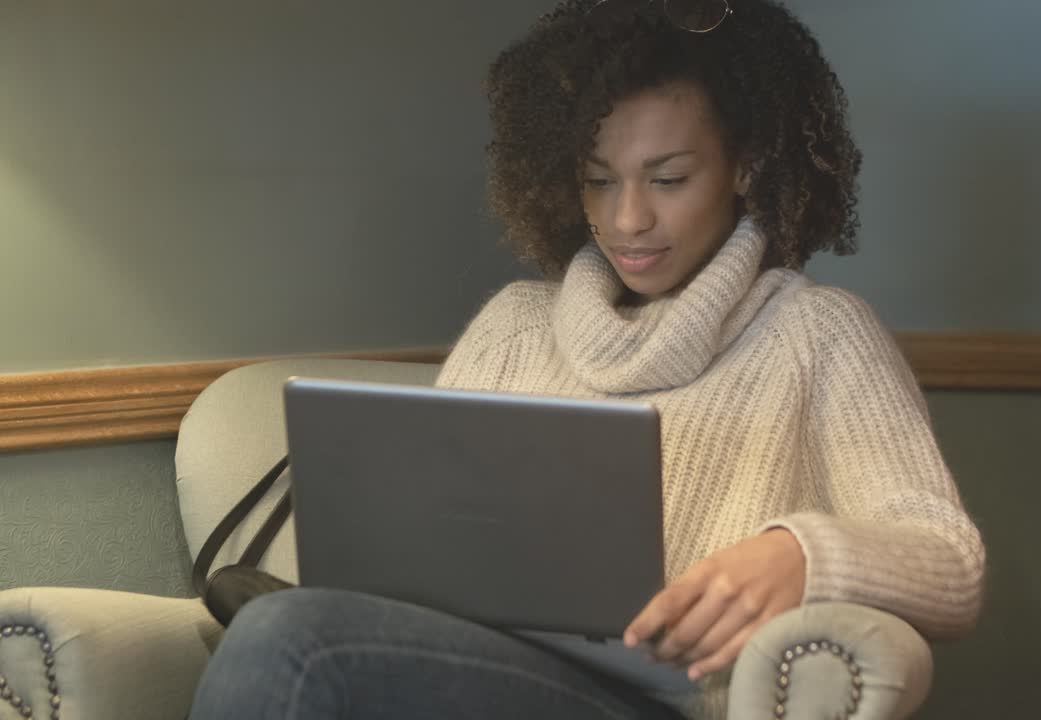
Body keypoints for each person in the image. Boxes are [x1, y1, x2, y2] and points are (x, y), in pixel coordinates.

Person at [188, 0, 986, 718]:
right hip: (478, 680)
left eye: (668, 178)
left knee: (288, 640)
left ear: (746, 165)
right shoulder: (514, 326)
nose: (628, 217)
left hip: (662, 705)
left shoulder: (821, 335)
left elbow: (951, 561)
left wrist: (800, 554)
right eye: (599, 181)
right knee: (292, 633)